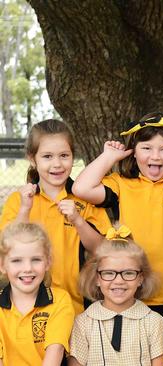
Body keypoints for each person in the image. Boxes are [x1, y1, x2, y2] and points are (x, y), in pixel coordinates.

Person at [72, 112, 163, 320]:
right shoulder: (120, 184)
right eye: (146, 148)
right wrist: (108, 156)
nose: (155, 156)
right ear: (133, 151)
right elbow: (81, 188)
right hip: (128, 290)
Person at [0, 119, 110, 314]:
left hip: (77, 305)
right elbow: (6, 246)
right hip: (28, 305)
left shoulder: (85, 199)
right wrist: (25, 210)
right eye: (47, 156)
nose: (57, 164)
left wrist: (78, 220)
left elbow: (102, 249)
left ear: (73, 156)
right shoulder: (19, 200)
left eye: (64, 155)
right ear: (32, 159)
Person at [69, 226, 163, 365]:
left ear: (141, 278)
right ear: (97, 278)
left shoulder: (154, 322)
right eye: (109, 273)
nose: (119, 281)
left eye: (128, 273)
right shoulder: (83, 323)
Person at [0, 222, 74, 366]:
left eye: (36, 259)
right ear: (2, 265)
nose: (27, 268)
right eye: (17, 261)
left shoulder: (59, 301)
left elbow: (55, 351)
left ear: (47, 262)